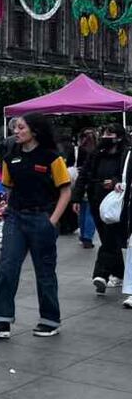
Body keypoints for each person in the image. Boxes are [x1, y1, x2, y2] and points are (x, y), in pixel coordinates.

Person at [0, 113, 71, 339]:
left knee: (44, 271)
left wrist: (52, 221)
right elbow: (8, 187)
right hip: (15, 218)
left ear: (34, 130)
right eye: (16, 127)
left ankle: (50, 320)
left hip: (42, 218)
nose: (17, 131)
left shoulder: (52, 158)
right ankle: (1, 322)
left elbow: (65, 191)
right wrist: (8, 209)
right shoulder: (10, 156)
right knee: (6, 268)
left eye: (21, 127)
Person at [72, 124, 129, 296]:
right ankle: (119, 273)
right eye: (104, 133)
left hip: (116, 202)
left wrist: (115, 181)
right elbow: (83, 176)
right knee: (107, 238)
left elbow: (128, 175)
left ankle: (101, 274)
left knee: (110, 237)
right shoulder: (96, 154)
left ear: (119, 137)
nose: (106, 136)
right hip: (96, 201)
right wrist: (76, 197)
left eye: (110, 133)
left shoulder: (126, 155)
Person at [75, 129, 98, 248]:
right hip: (92, 183)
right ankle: (88, 237)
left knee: (83, 210)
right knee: (90, 211)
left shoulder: (82, 148)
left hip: (82, 181)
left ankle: (83, 235)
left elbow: (78, 165)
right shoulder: (97, 150)